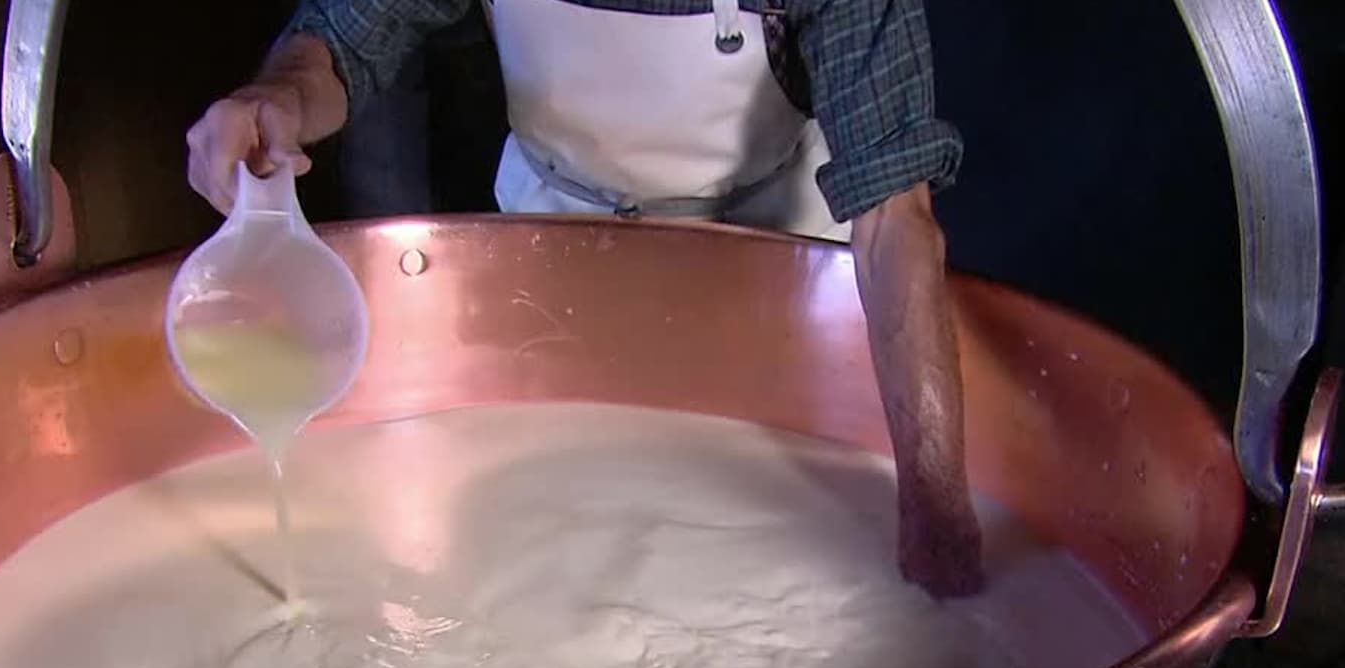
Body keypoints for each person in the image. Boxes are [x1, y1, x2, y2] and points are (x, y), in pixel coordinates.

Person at [185, 0, 984, 597]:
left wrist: (935, 513)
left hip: (771, 262)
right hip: (551, 257)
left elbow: (895, 221)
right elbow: (346, 40)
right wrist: (281, 98)